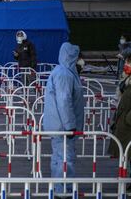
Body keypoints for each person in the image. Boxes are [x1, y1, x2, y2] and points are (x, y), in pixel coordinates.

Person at [43, 42, 85, 198]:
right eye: (79, 57)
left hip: (59, 125)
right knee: (65, 159)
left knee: (59, 157)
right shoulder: (65, 74)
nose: (81, 60)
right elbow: (64, 101)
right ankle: (63, 191)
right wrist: (70, 126)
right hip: (63, 126)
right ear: (72, 57)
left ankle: (58, 188)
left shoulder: (63, 72)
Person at [108, 54, 131, 185]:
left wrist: (128, 119)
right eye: (126, 63)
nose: (126, 66)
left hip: (127, 125)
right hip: (124, 125)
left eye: (129, 63)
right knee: (126, 156)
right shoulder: (125, 81)